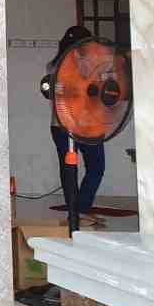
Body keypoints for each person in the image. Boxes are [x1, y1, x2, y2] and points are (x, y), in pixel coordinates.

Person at [46, 25, 106, 221]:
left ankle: (78, 209)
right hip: (73, 125)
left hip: (75, 126)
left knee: (78, 168)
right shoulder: (63, 66)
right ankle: (79, 210)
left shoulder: (54, 65)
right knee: (87, 168)